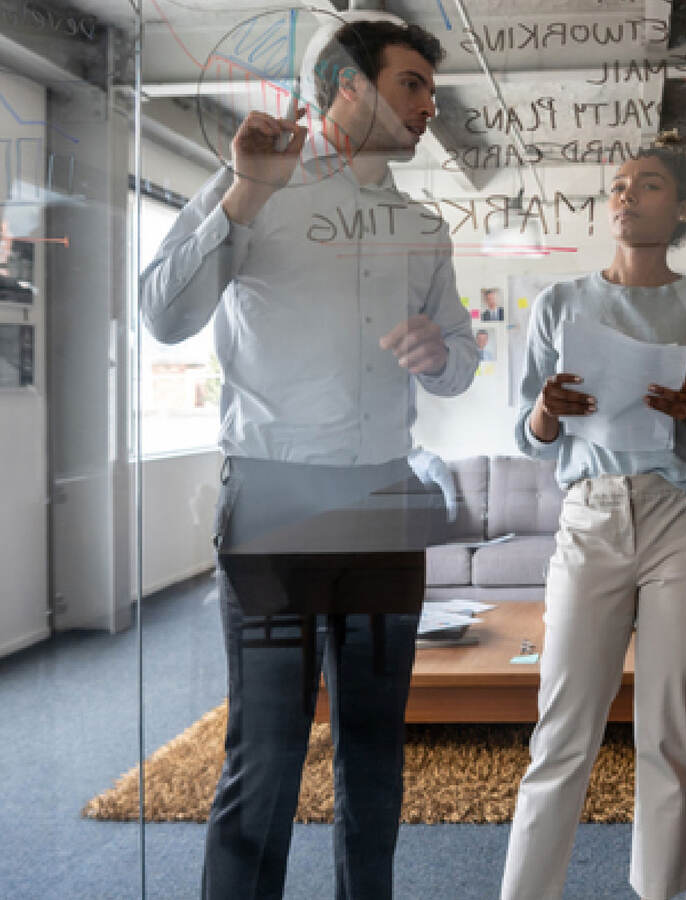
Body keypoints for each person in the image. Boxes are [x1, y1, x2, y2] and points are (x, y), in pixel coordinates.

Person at [140, 16, 476, 899]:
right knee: (270, 753)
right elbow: (164, 316)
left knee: (373, 749)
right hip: (273, 506)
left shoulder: (423, 225)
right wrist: (244, 195)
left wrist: (442, 356)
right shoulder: (253, 183)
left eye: (430, 91)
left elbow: (460, 361)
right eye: (412, 85)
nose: (427, 107)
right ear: (351, 87)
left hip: (383, 507)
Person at [501, 138, 686, 900]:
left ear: (680, 209)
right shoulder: (560, 303)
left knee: (668, 735)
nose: (626, 195)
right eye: (618, 186)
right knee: (562, 731)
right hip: (593, 513)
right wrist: (546, 411)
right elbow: (526, 435)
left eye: (647, 185)